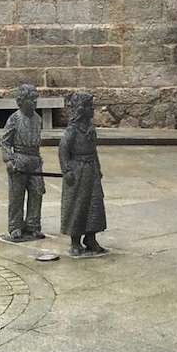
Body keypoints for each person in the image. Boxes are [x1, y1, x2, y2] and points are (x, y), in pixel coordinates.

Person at [59, 91, 108, 256]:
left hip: (91, 169)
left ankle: (91, 238)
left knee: (94, 203)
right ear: (81, 108)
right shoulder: (72, 130)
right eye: (89, 106)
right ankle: (75, 241)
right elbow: (63, 150)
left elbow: (94, 150)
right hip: (78, 170)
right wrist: (67, 170)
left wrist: (98, 168)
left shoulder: (90, 129)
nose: (92, 109)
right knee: (77, 204)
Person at [0, 83, 45, 241]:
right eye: (31, 99)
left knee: (37, 192)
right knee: (17, 194)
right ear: (22, 101)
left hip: (35, 159)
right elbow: (5, 141)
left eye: (35, 99)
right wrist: (8, 159)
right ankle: (15, 226)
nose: (34, 102)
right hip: (19, 158)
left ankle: (33, 225)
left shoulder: (38, 119)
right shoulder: (15, 118)